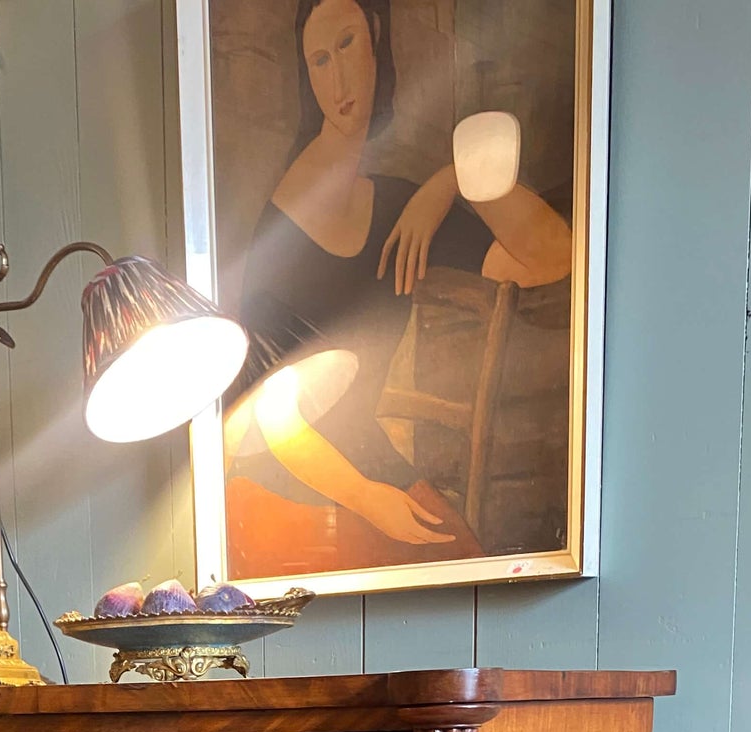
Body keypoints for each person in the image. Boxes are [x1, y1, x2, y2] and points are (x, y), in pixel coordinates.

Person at [224, 0, 573, 573]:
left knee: (474, 578)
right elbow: (274, 413)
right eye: (318, 59)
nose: (337, 77)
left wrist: (455, 176)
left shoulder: (394, 206)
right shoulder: (285, 222)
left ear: (375, 38)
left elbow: (548, 259)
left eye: (347, 45)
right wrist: (367, 499)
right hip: (292, 484)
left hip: (375, 471)